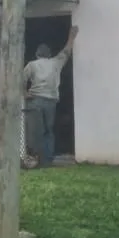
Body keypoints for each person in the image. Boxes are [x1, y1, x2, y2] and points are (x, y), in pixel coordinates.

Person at [23, 25, 78, 168]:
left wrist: (24, 93)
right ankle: (48, 159)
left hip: (35, 100)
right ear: (49, 54)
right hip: (51, 101)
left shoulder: (32, 65)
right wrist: (71, 36)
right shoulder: (55, 62)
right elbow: (66, 52)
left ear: (37, 54)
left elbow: (21, 79)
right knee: (49, 130)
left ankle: (36, 159)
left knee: (36, 131)